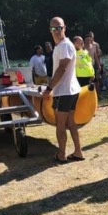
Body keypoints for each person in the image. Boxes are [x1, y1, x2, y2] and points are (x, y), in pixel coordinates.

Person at [43, 18, 84, 163]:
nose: (56, 31)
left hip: (64, 91)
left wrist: (49, 88)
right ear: (50, 30)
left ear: (64, 28)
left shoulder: (65, 45)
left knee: (60, 125)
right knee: (70, 123)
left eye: (59, 28)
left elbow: (62, 68)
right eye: (53, 28)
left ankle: (61, 154)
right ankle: (78, 152)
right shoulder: (62, 45)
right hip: (70, 90)